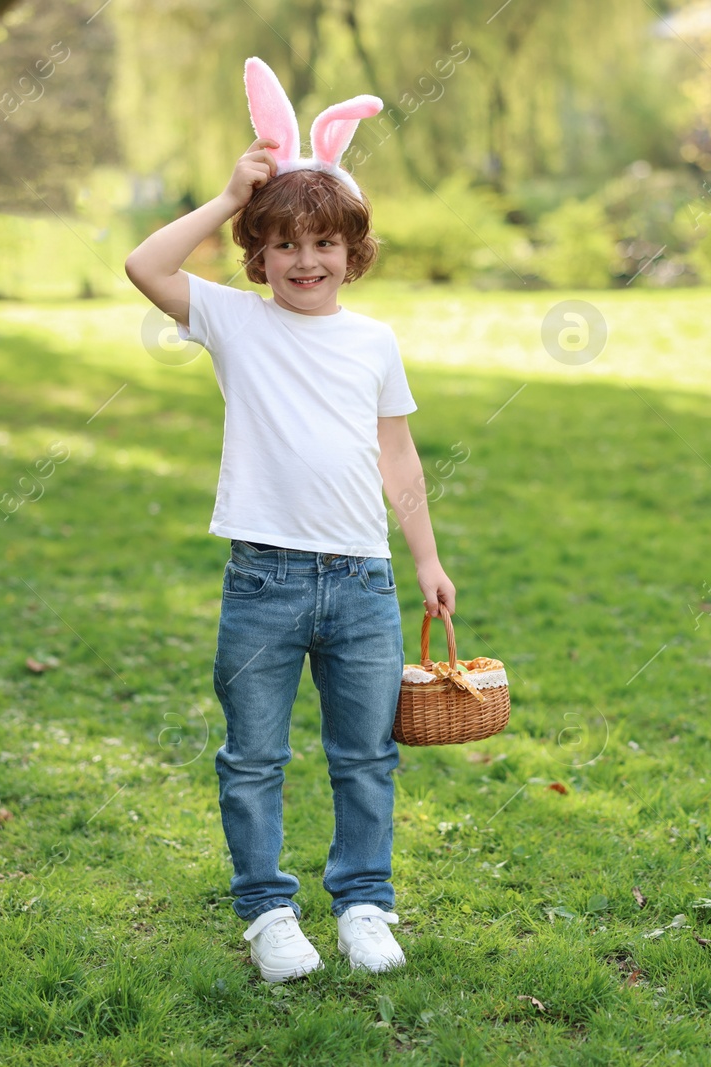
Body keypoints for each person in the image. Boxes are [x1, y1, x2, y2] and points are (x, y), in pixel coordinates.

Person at [124, 61, 456, 984]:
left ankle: (363, 902)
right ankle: (268, 910)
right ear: (256, 255)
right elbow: (144, 264)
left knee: (365, 755)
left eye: (325, 242)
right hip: (263, 578)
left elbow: (400, 457)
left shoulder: (373, 341)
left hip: (362, 582)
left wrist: (425, 557)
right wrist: (231, 191)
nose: (305, 260)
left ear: (356, 250)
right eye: (283, 244)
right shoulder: (234, 322)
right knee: (252, 756)